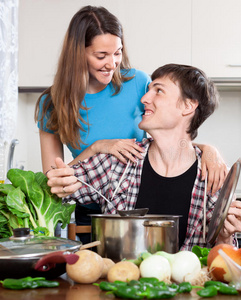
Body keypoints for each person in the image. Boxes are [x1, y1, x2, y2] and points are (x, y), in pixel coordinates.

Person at [35, 6, 227, 242]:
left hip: (139, 195)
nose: (112, 63)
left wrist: (208, 150)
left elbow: (173, 125)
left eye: (118, 53)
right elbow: (54, 181)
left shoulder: (137, 82)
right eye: (101, 55)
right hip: (91, 206)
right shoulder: (51, 103)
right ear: (78, 54)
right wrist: (96, 148)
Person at [46, 63, 241, 250]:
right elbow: (52, 191)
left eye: (158, 91)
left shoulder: (213, 176)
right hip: (118, 287)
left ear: (188, 106)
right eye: (148, 90)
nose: (144, 99)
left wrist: (224, 237)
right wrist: (60, 183)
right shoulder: (119, 161)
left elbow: (224, 264)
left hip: (189, 290)